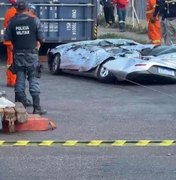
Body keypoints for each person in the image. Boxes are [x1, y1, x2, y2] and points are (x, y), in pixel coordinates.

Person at [4, 0, 47, 115]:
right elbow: (42, 38)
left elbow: (6, 38)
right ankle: (37, 107)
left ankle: (20, 106)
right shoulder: (34, 20)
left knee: (20, 79)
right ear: (27, 9)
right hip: (32, 54)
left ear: (16, 9)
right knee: (34, 79)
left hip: (18, 55)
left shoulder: (12, 22)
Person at [3, 0, 17, 87]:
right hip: (16, 41)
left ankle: (11, 80)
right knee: (16, 61)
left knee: (11, 61)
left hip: (10, 41)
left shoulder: (9, 12)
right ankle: (13, 81)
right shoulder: (19, 13)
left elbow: (6, 25)